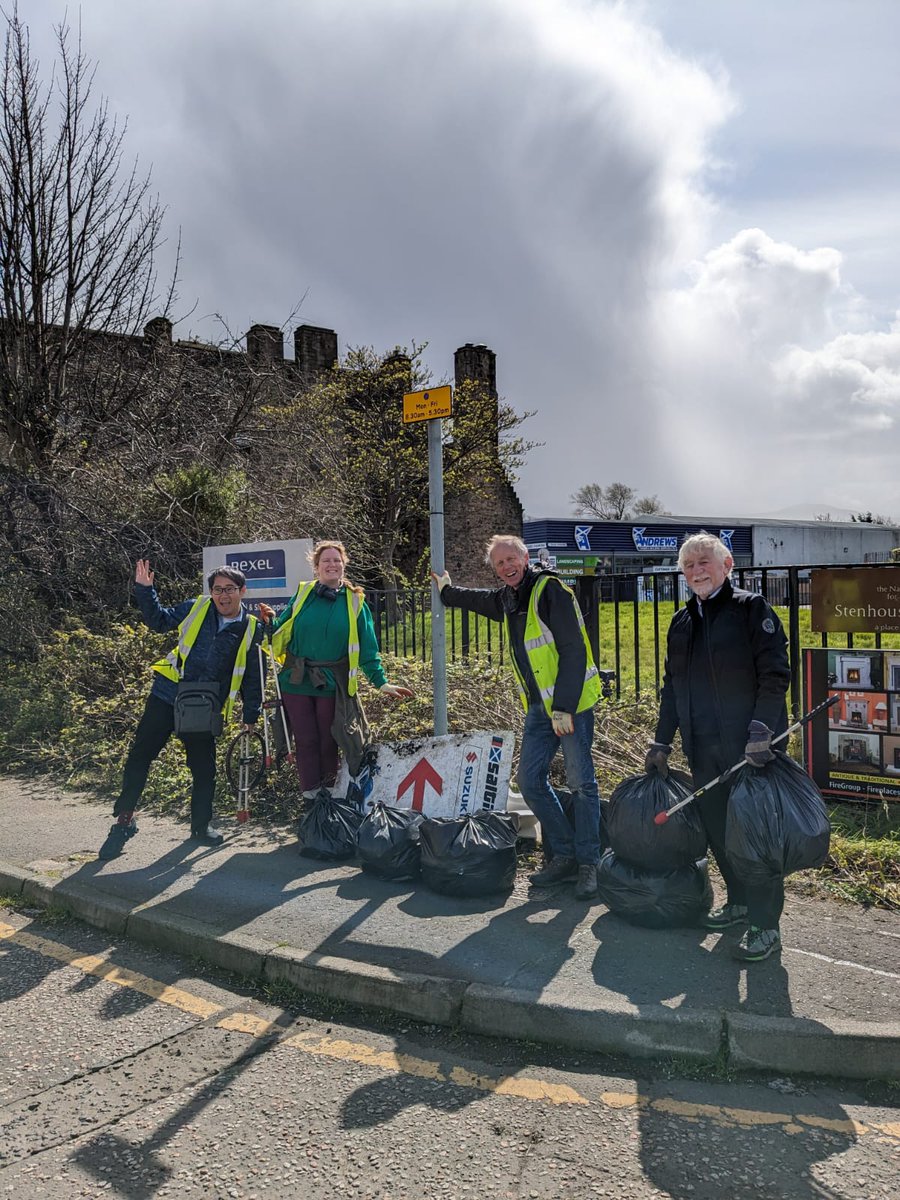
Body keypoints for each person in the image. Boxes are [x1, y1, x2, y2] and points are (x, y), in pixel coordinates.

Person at [432, 534, 604, 900]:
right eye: (499, 564)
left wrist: (565, 707)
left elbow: (574, 649)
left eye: (512, 559)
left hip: (570, 706)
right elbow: (479, 601)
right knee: (529, 782)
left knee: (582, 784)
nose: (507, 567)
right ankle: (565, 854)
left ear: (526, 558)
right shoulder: (510, 597)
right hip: (540, 709)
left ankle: (589, 863)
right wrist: (447, 592)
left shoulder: (550, 591)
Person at [646, 532, 791, 962]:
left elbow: (775, 674)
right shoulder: (681, 622)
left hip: (751, 748)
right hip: (701, 747)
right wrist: (660, 740)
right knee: (718, 830)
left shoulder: (751, 610)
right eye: (688, 566)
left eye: (703, 562)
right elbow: (671, 687)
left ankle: (766, 927)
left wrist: (762, 729)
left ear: (726, 565)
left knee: (755, 837)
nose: (696, 572)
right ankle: (740, 903)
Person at [99, 561, 264, 860]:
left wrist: (250, 715)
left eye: (229, 590)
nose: (223, 596)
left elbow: (253, 676)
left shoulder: (252, 627)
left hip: (204, 705)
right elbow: (159, 621)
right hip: (168, 694)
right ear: (211, 592)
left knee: (203, 770)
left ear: (242, 591)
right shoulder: (197, 607)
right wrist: (145, 590)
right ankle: (124, 819)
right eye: (217, 590)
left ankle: (200, 827)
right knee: (140, 756)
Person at [260, 540, 412, 799]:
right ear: (316, 567)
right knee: (305, 741)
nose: (331, 564)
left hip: (332, 682)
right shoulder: (304, 594)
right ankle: (310, 800)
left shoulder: (355, 602)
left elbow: (367, 648)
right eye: (326, 561)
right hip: (295, 679)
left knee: (329, 740)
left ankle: (329, 797)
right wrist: (269, 620)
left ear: (344, 566)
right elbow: (281, 627)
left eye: (336, 560)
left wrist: (381, 682)